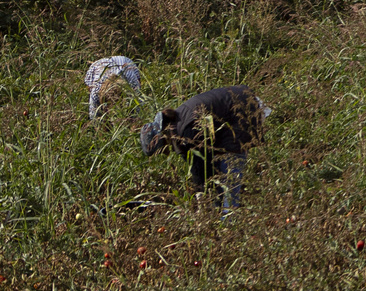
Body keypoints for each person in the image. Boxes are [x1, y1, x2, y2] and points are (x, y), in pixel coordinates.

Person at [140, 85, 269, 209]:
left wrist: (203, 195)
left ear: (163, 137)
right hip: (238, 107)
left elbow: (204, 165)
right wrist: (201, 192)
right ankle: (222, 216)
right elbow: (197, 168)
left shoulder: (186, 130)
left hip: (243, 108)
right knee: (220, 180)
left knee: (229, 176)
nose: (165, 152)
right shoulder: (178, 125)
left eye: (162, 149)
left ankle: (228, 222)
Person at [85, 55, 142, 119]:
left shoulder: (132, 82)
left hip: (125, 62)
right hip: (98, 65)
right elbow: (93, 117)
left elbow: (139, 109)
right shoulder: (96, 89)